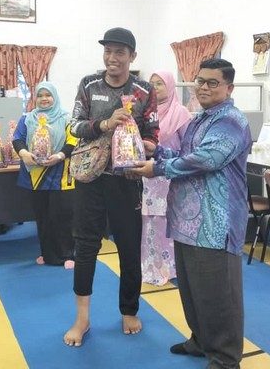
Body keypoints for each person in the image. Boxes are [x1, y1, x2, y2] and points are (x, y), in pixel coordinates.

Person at [129, 58, 251, 368]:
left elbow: (207, 159)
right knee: (194, 290)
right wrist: (158, 151)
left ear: (229, 88)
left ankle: (226, 358)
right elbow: (186, 154)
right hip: (186, 220)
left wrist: (157, 168)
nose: (204, 87)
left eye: (213, 83)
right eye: (200, 81)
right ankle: (200, 341)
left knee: (218, 295)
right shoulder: (199, 119)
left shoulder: (231, 121)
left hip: (215, 223)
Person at [63, 27, 159, 347]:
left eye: (120, 52)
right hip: (90, 178)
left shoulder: (144, 91)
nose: (112, 57)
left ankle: (129, 311)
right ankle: (82, 318)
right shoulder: (89, 84)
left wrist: (141, 144)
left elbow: (153, 134)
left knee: (129, 247)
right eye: (108, 51)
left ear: (132, 56)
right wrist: (105, 124)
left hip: (126, 180)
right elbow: (74, 126)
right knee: (85, 246)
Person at [12, 81, 76, 269]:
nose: (44, 99)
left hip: (61, 175)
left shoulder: (67, 118)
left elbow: (73, 141)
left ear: (54, 97)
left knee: (63, 216)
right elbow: (17, 139)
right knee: (43, 217)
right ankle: (47, 254)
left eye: (48, 95)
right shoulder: (27, 118)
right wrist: (24, 153)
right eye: (40, 95)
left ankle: (67, 255)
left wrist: (60, 156)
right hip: (35, 176)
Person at [141, 70, 192, 286]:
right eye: (151, 84)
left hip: (172, 175)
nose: (154, 88)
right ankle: (152, 266)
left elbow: (190, 150)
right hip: (149, 175)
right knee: (150, 221)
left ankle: (172, 267)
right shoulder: (147, 114)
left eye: (159, 83)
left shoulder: (181, 113)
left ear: (170, 86)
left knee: (168, 220)